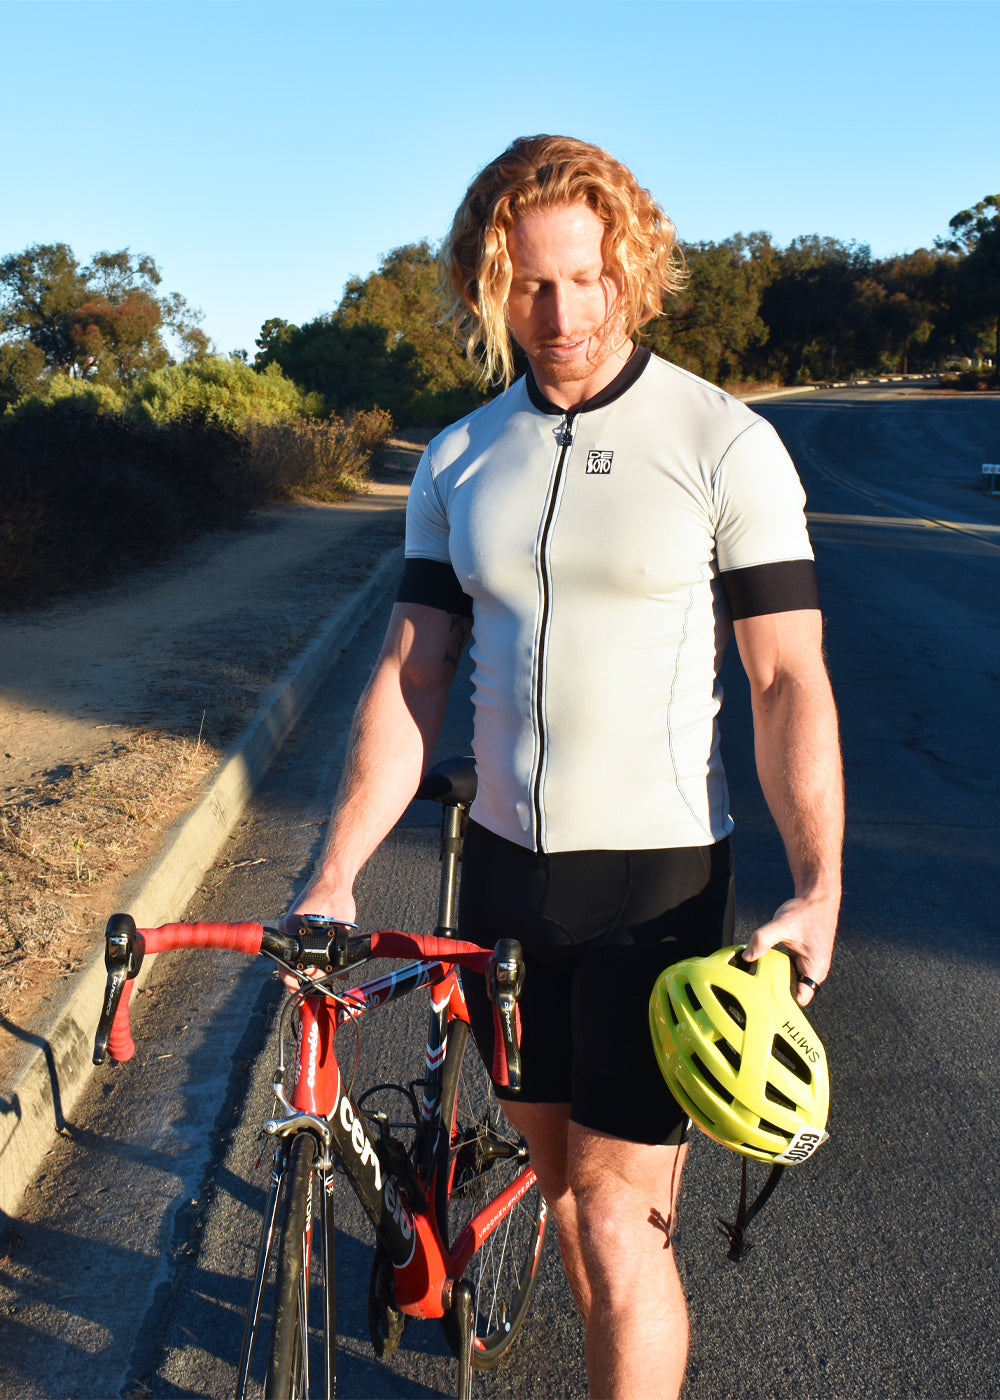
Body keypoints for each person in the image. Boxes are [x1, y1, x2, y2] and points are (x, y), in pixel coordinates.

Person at [286, 134, 843, 1399]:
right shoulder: (457, 458)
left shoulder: (722, 441)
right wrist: (334, 869)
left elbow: (785, 679)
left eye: (587, 278)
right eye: (531, 285)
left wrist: (817, 885)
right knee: (560, 1192)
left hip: (656, 891)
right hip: (505, 885)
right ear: (490, 288)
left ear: (629, 268)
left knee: (616, 1221)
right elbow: (413, 672)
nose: (562, 313)